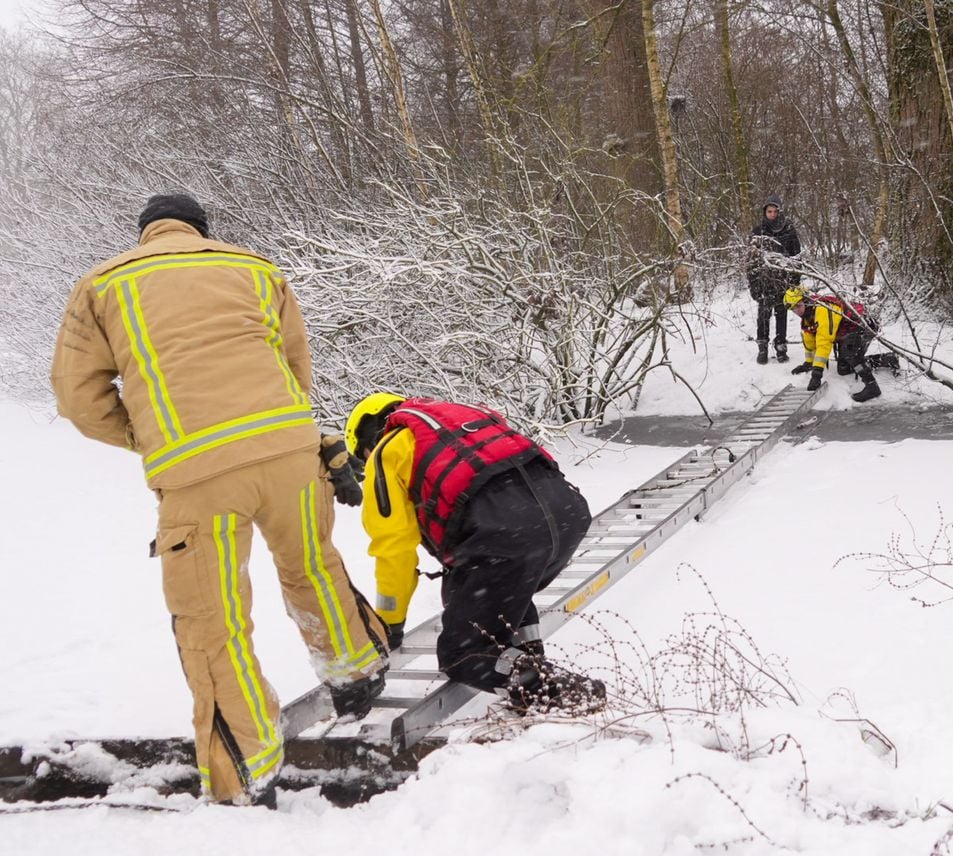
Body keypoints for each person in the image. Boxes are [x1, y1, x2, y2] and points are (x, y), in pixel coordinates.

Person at [51, 193, 390, 808]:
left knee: (215, 621)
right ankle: (356, 673)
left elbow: (79, 400)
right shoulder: (257, 268)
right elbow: (293, 367)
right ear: (204, 231)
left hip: (196, 471)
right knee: (311, 566)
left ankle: (248, 772)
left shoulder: (102, 285)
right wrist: (286, 433)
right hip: (289, 449)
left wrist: (154, 437)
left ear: (146, 234)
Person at [345, 393, 605, 715]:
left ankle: (557, 692)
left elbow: (394, 550)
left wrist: (390, 623)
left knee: (462, 653)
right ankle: (530, 663)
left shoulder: (387, 451)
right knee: (494, 587)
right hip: (567, 516)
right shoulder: (463, 416)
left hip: (506, 534)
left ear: (366, 438)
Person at [783, 285, 896, 402]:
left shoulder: (822, 309)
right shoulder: (807, 316)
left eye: (798, 306)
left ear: (807, 301)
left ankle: (872, 386)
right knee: (844, 369)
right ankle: (887, 359)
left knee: (850, 354)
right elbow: (810, 343)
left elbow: (824, 342)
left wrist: (817, 374)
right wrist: (808, 364)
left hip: (861, 325)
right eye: (793, 308)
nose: (797, 311)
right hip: (847, 331)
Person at [747, 195, 801, 365]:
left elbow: (796, 256)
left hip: (783, 279)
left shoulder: (789, 230)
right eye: (769, 211)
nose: (771, 214)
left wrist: (794, 280)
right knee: (763, 314)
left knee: (781, 313)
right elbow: (751, 260)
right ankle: (762, 347)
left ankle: (780, 347)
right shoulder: (758, 232)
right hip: (764, 279)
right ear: (765, 212)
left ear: (779, 211)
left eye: (774, 211)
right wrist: (753, 284)